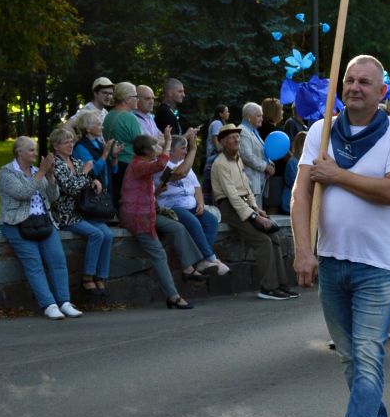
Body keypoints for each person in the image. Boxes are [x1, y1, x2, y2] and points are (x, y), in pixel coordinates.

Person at [292, 54, 390, 417]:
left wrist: (339, 175)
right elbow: (300, 193)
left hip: (378, 266)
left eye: (365, 82)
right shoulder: (321, 131)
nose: (355, 87)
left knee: (368, 353)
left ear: (382, 93)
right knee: (350, 356)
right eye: (349, 80)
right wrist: (303, 249)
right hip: (331, 260)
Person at [0, 137, 82, 319]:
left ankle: (64, 302)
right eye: (31, 150)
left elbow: (53, 197)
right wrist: (42, 172)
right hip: (17, 223)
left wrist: (50, 177)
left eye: (35, 150)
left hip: (43, 221)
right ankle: (49, 304)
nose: (35, 154)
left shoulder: (38, 171)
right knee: (34, 264)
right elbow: (23, 193)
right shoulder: (7, 172)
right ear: (19, 152)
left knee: (58, 261)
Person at [212, 124, 295, 300]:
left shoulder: (237, 159)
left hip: (244, 206)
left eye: (238, 137)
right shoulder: (220, 164)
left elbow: (247, 189)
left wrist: (256, 208)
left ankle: (281, 285)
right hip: (231, 208)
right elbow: (233, 196)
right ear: (224, 142)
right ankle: (268, 288)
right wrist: (255, 217)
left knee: (274, 238)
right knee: (263, 241)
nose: (236, 140)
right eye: (232, 138)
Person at [121, 131, 195, 309]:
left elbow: (145, 193)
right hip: (138, 219)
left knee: (176, 228)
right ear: (146, 151)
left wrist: (158, 192)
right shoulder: (138, 164)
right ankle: (173, 296)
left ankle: (189, 268)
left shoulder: (144, 164)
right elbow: (162, 163)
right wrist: (169, 141)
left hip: (149, 214)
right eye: (155, 146)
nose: (159, 148)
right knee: (159, 254)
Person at [48, 126, 116, 300]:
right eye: (66, 142)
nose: (71, 144)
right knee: (96, 234)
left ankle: (101, 276)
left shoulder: (77, 162)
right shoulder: (56, 165)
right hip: (66, 214)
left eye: (72, 141)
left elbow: (86, 181)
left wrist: (94, 180)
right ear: (56, 146)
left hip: (84, 210)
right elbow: (71, 188)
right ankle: (87, 277)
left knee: (108, 234)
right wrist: (85, 173)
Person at [159, 133, 230, 278]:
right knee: (193, 222)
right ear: (171, 150)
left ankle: (202, 260)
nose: (185, 151)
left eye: (186, 148)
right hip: (172, 206)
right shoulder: (163, 164)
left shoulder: (186, 164)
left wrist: (201, 203)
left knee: (211, 221)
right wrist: (193, 149)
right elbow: (180, 174)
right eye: (182, 148)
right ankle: (210, 258)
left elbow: (197, 187)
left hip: (191, 205)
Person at [102, 82, 142, 204]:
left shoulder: (109, 115)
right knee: (128, 202)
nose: (137, 99)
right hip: (128, 165)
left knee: (118, 198)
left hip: (113, 163)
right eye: (135, 96)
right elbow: (141, 143)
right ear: (126, 99)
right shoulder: (129, 117)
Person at [71, 111, 117, 194]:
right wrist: (105, 153)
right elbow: (93, 171)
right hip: (93, 194)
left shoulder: (99, 144)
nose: (102, 127)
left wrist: (115, 156)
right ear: (88, 128)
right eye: (99, 124)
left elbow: (113, 170)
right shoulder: (80, 147)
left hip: (107, 193)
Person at [238, 102, 273, 200]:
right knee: (253, 212)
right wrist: (266, 167)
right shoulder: (243, 131)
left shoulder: (253, 131)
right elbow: (247, 156)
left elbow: (262, 152)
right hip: (249, 183)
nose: (262, 119)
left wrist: (270, 164)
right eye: (259, 116)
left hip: (256, 182)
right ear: (249, 118)